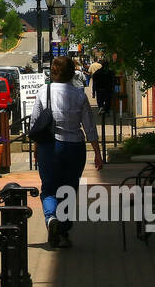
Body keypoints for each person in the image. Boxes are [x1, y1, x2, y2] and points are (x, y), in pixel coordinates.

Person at [26, 56, 103, 249]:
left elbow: (36, 123)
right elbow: (89, 126)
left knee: (49, 188)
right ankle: (64, 231)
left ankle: (51, 219)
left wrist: (36, 148)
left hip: (50, 147)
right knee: (68, 189)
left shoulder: (45, 91)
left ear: (53, 72)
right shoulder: (79, 94)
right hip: (75, 148)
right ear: (72, 73)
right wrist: (98, 153)